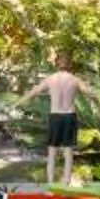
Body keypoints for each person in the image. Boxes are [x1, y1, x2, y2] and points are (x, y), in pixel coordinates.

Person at [24, 56, 94, 188]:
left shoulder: (50, 79)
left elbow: (33, 92)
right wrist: (96, 97)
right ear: (70, 66)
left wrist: (18, 102)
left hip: (55, 116)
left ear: (57, 65)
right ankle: (66, 184)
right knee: (68, 152)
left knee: (52, 153)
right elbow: (89, 92)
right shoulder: (75, 79)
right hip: (69, 116)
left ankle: (50, 185)